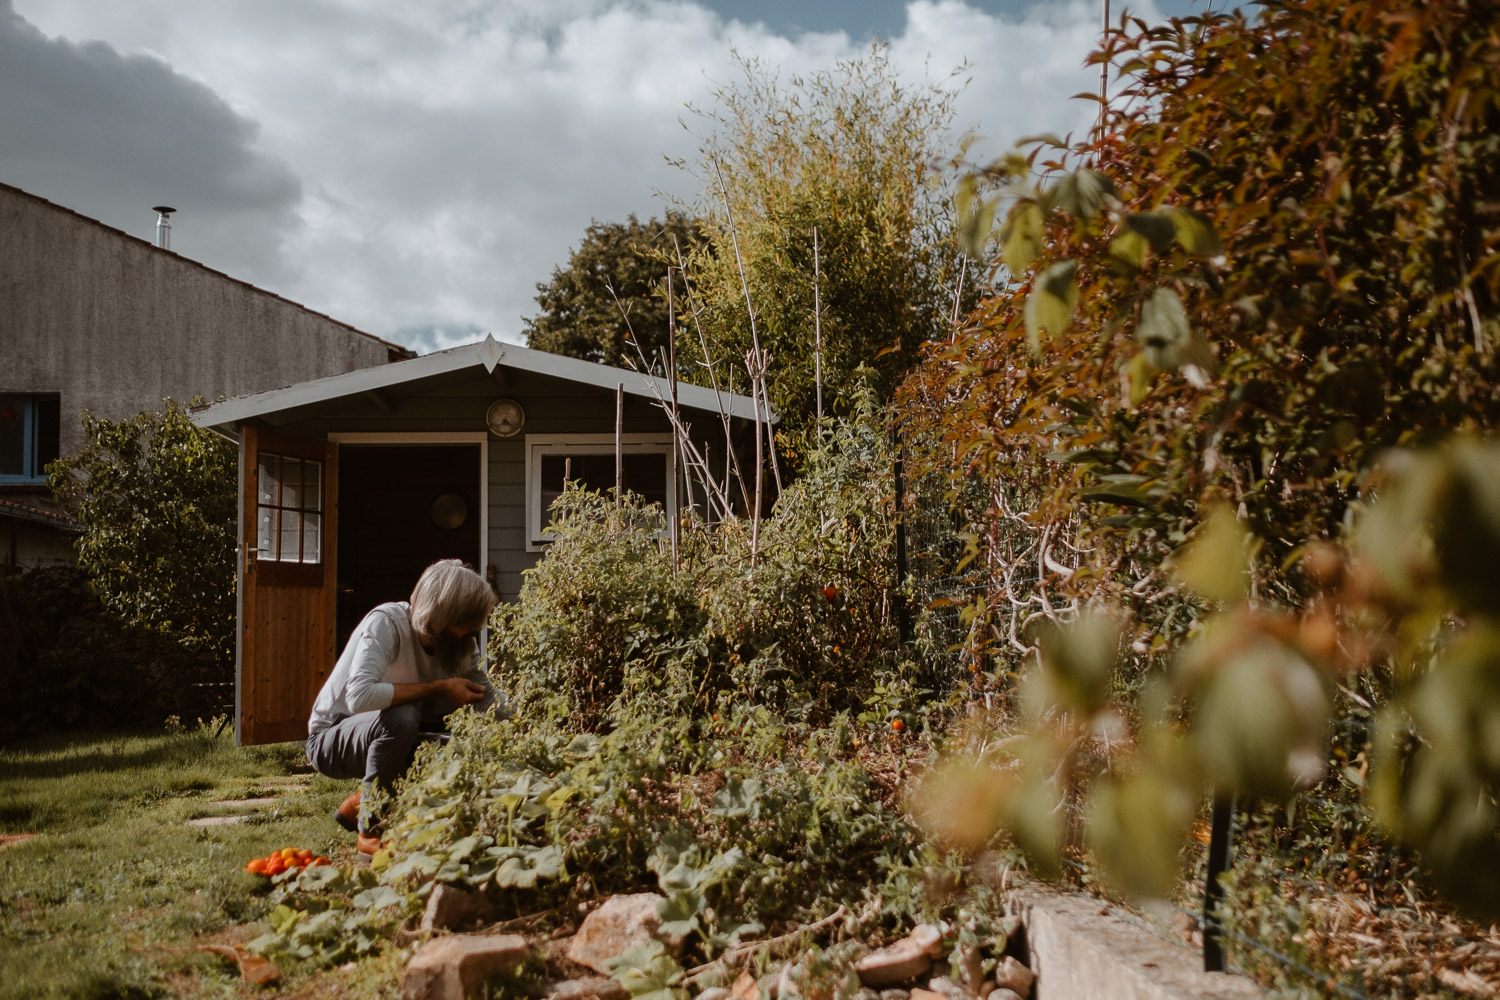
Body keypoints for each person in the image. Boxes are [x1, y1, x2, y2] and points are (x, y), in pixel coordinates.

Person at [306, 558, 509, 853]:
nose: (473, 630)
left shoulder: (459, 641)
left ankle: (365, 799)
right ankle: (370, 829)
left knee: (450, 747)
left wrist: (530, 721)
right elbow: (359, 696)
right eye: (466, 622)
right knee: (404, 715)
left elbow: (486, 697)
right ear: (441, 614)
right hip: (331, 737)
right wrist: (438, 688)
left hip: (390, 735)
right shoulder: (387, 623)